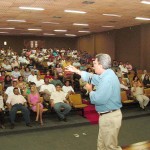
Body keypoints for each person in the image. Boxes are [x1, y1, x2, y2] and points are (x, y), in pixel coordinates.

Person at [66, 53, 122, 150]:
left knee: (110, 147)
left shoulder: (107, 79)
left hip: (109, 117)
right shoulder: (107, 74)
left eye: (95, 63)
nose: (93, 66)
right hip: (108, 116)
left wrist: (90, 90)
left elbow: (98, 99)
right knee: (101, 146)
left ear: (100, 65)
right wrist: (77, 71)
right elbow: (92, 77)